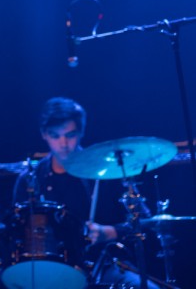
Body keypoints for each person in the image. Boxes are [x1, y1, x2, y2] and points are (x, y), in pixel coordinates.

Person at [12, 97, 159, 288]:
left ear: (81, 132)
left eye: (70, 135)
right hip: (49, 271)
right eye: (55, 136)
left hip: (104, 265)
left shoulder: (106, 171)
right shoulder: (30, 180)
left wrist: (110, 232)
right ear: (44, 135)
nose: (63, 143)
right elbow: (16, 234)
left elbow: (146, 221)